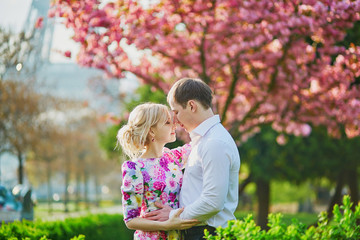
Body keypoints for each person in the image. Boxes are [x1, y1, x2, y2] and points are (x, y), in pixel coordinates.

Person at [145, 78, 241, 240]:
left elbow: (213, 201)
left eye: (176, 112)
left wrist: (173, 215)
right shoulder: (202, 141)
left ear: (191, 106)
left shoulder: (214, 143)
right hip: (199, 232)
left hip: (209, 233)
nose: (174, 119)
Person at [117, 102, 199, 240]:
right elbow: (131, 220)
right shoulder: (134, 168)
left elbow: (198, 144)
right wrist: (167, 225)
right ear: (151, 131)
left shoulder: (172, 157)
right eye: (167, 122)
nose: (174, 125)